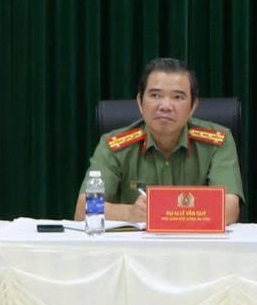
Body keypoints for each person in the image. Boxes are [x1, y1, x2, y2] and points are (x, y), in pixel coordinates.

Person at [76, 58, 244, 225]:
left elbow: (229, 209)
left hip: (195, 241)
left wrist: (161, 212)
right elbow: (83, 210)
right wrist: (130, 213)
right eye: (155, 95)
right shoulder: (114, 145)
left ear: (193, 107)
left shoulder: (217, 141)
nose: (165, 106)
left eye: (178, 97)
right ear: (140, 102)